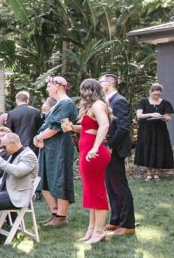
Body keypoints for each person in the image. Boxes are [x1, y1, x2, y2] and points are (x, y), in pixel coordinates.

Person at [61, 78, 112, 243]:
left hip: (93, 153)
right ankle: (91, 229)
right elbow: (88, 128)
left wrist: (96, 147)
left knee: (96, 190)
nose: (81, 94)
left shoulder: (98, 105)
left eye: (83, 90)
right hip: (86, 150)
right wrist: (72, 128)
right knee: (89, 191)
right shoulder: (91, 106)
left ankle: (99, 231)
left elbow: (104, 125)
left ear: (88, 90)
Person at [35, 76, 78, 227]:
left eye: (49, 86)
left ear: (58, 86)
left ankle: (61, 216)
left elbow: (56, 127)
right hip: (50, 146)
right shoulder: (58, 104)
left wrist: (39, 137)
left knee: (60, 179)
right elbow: (62, 126)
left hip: (60, 147)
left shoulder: (66, 103)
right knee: (44, 178)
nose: (47, 88)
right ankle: (54, 213)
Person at [99, 74, 134, 236]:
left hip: (115, 149)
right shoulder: (106, 101)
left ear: (110, 83)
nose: (100, 84)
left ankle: (127, 224)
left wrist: (111, 146)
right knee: (111, 186)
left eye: (101, 82)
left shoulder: (119, 101)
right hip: (107, 149)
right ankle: (115, 219)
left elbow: (122, 127)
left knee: (120, 187)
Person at [135, 82, 174, 181]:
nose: (156, 96)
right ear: (150, 92)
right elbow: (139, 115)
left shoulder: (165, 103)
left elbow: (168, 116)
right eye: (154, 94)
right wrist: (152, 114)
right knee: (147, 149)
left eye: (158, 94)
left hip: (160, 130)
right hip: (146, 130)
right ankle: (149, 173)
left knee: (159, 149)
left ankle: (157, 173)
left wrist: (165, 118)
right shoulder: (143, 102)